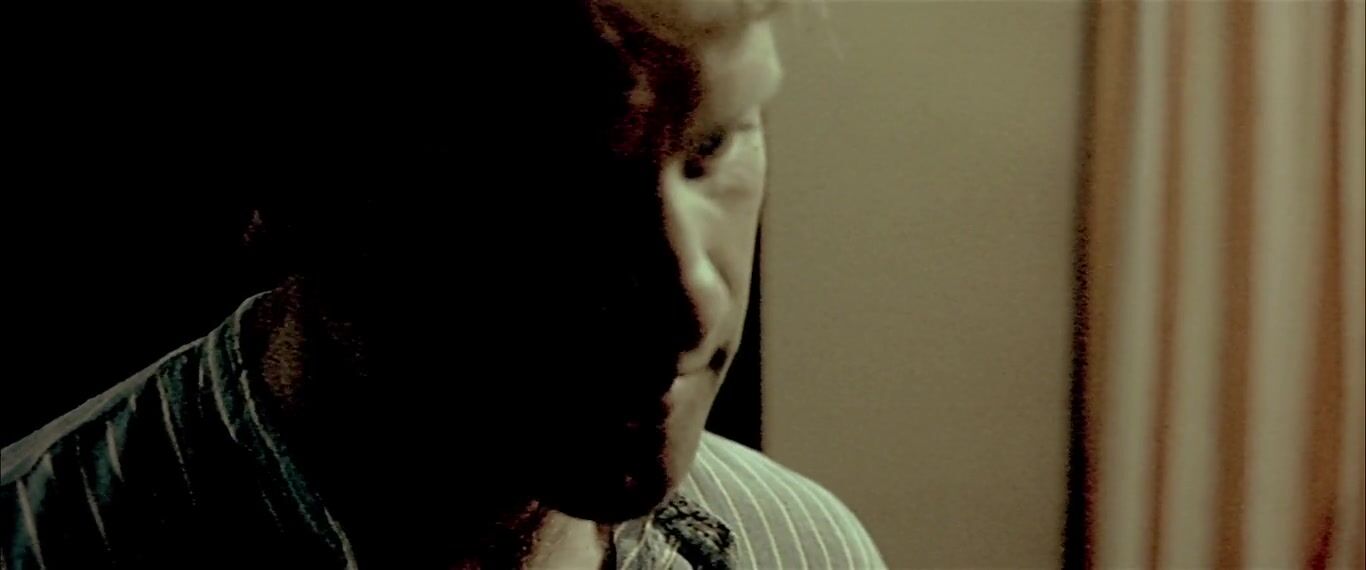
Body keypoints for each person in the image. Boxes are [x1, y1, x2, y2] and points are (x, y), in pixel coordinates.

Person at [2, 2, 885, 568]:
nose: (691, 302)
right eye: (555, 188)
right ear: (297, 185)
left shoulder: (800, 547)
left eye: (714, 146)